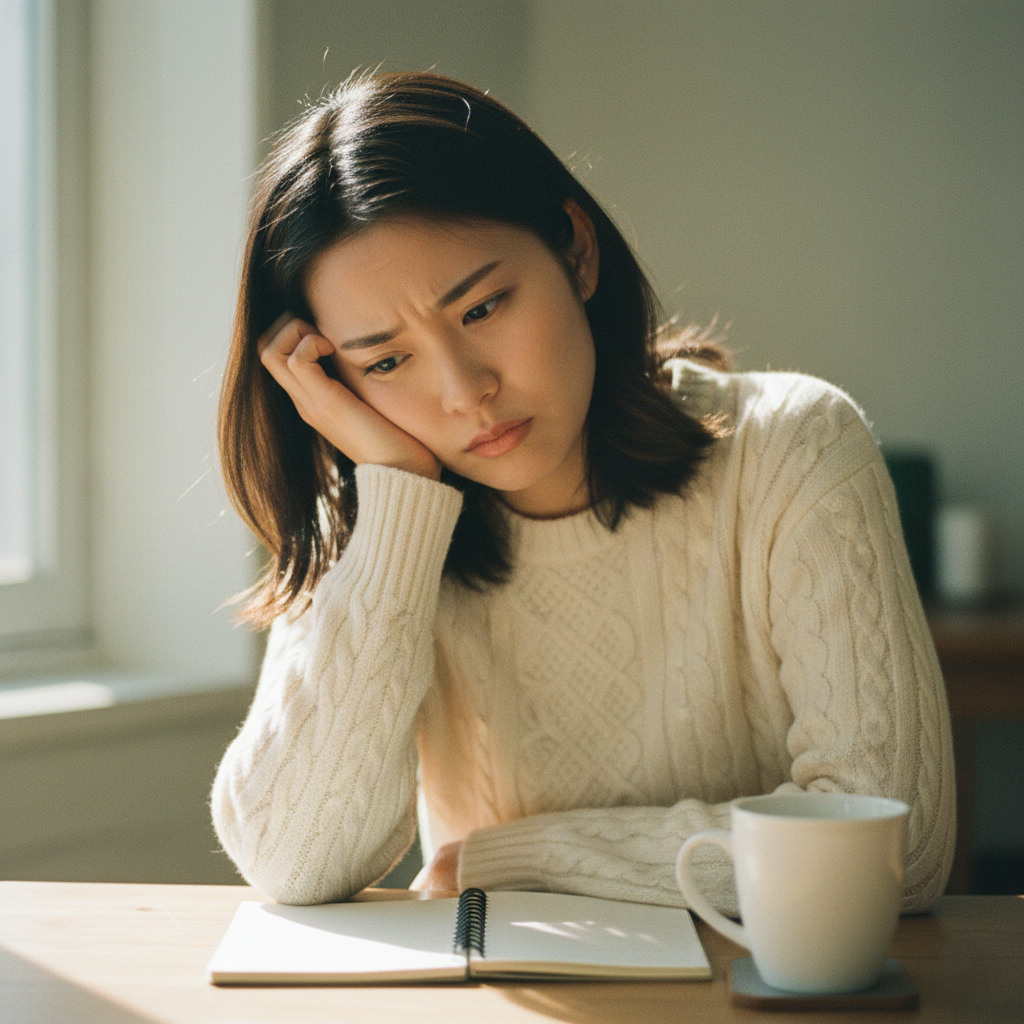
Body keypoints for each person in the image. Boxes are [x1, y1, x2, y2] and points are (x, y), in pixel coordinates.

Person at [211, 71, 955, 913]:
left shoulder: (793, 444)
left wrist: (520, 857)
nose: (463, 391)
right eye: (385, 362)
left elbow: (899, 845)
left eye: (484, 307)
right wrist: (398, 507)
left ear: (576, 250)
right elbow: (292, 862)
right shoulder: (378, 518)